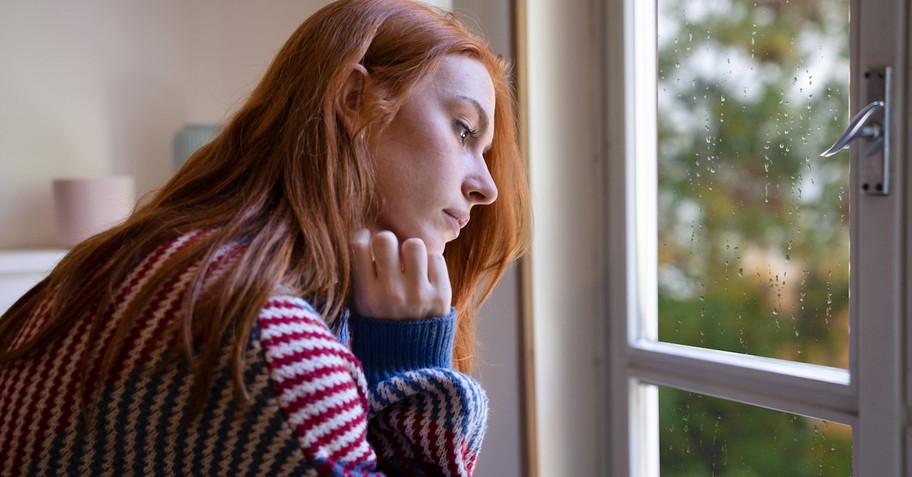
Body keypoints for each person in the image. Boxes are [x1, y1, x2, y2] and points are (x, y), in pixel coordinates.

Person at [0, 0, 531, 475]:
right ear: (354, 98)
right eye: (464, 130)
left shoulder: (171, 261)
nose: (485, 188)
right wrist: (414, 368)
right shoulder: (272, 342)